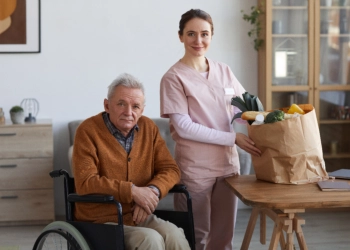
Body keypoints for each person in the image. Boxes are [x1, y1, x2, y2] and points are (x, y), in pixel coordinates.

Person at [160, 9, 261, 250]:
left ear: (212, 36)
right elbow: (184, 127)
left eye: (204, 34)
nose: (198, 40)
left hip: (227, 168)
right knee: (197, 237)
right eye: (191, 34)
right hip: (195, 169)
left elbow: (245, 108)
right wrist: (232, 138)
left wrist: (264, 120)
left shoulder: (224, 71)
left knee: (223, 239)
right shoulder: (173, 78)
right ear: (180, 36)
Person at [73, 73, 191, 250]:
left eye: (135, 106)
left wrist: (151, 193)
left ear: (142, 110)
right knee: (150, 240)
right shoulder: (88, 131)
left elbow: (170, 169)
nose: (129, 112)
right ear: (107, 105)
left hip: (140, 215)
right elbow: (85, 182)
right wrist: (133, 192)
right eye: (121, 104)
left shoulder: (149, 128)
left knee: (175, 235)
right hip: (101, 220)